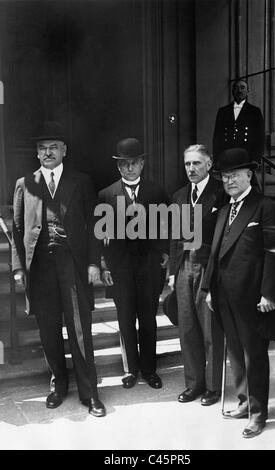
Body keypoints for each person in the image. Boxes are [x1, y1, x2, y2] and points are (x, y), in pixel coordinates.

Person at [11, 121, 106, 418]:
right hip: (39, 268)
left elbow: (94, 227)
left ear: (64, 150)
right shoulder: (24, 184)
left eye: (53, 147)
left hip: (72, 264)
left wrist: (93, 263)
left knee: (80, 330)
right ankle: (58, 386)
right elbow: (16, 230)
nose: (47, 152)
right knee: (49, 330)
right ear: (37, 154)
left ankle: (90, 393)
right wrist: (18, 267)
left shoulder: (81, 181)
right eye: (42, 148)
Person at [202, 147, 275, 438]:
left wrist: (269, 294)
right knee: (236, 354)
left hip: (253, 297)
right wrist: (210, 289)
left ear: (249, 174)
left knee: (255, 356)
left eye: (235, 174)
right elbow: (215, 254)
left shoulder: (266, 207)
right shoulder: (223, 210)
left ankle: (258, 413)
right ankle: (242, 401)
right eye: (225, 176)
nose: (230, 180)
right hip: (224, 296)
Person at [98, 137, 169, 389]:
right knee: (125, 318)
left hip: (148, 266)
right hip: (121, 267)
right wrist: (104, 265)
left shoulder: (157, 192)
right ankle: (130, 370)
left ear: (142, 164)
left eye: (134, 163)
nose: (129, 168)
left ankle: (150, 370)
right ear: (119, 167)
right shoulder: (106, 195)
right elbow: (100, 236)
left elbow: (166, 226)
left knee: (148, 318)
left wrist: (164, 252)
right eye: (124, 164)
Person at [168, 144, 227, 405]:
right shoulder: (179, 196)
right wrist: (172, 272)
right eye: (187, 164)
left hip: (208, 266)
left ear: (209, 165)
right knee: (187, 327)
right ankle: (194, 384)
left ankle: (214, 387)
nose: (191, 168)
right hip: (183, 267)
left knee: (210, 329)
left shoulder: (221, 193)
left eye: (196, 163)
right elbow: (174, 237)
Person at [213, 79, 265, 164]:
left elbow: (260, 137)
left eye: (242, 87)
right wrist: (216, 159)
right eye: (236, 88)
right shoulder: (223, 111)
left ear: (247, 91)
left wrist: (256, 159)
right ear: (232, 91)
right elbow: (217, 137)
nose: (239, 90)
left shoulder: (255, 111)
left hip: (247, 157)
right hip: (226, 156)